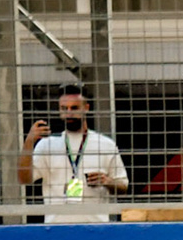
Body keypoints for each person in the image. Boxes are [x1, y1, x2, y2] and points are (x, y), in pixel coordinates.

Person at [17, 84, 128, 223]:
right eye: (64, 108)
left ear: (86, 108)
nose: (69, 113)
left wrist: (107, 182)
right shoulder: (47, 144)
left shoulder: (105, 144)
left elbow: (123, 187)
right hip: (56, 227)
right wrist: (29, 142)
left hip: (95, 226)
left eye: (74, 108)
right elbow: (24, 179)